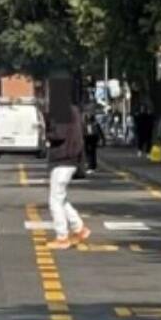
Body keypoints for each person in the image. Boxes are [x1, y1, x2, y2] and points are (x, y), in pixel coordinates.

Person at [46, 104, 91, 250]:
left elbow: (59, 134)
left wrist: (45, 131)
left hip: (62, 159)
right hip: (72, 160)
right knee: (61, 198)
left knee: (54, 201)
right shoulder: (75, 111)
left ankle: (62, 237)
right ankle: (79, 228)